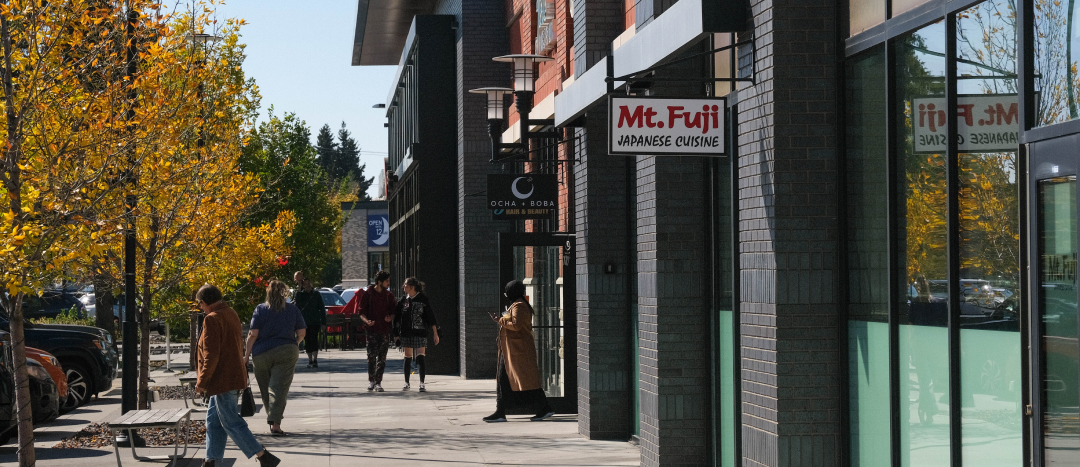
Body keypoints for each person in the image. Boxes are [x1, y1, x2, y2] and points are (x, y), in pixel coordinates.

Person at [194, 284, 280, 467]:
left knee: (231, 421)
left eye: (200, 304)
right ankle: (211, 460)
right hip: (232, 377)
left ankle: (263, 455)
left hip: (222, 380)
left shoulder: (212, 319)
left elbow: (211, 355)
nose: (200, 308)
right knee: (213, 422)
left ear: (205, 302)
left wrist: (202, 382)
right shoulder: (230, 313)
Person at [483, 280, 554, 423]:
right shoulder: (518, 305)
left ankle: (543, 408)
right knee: (507, 380)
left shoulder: (520, 306)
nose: (506, 294)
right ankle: (501, 411)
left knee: (523, 381)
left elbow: (515, 325)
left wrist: (499, 320)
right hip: (511, 351)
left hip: (518, 352)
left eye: (507, 291)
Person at [245, 280, 306, 436]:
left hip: (261, 353)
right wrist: (295, 344)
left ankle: (272, 418)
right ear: (285, 293)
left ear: (268, 293)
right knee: (279, 388)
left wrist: (246, 356)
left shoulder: (260, 309)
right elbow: (301, 332)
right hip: (286, 351)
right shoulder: (293, 309)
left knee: (266, 389)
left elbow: (253, 335)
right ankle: (276, 423)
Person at [392, 277, 439, 391]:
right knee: (407, 357)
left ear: (412, 287)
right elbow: (397, 317)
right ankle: (406, 382)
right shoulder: (404, 300)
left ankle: (422, 383)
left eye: (406, 285)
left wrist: (435, 333)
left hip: (420, 332)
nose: (404, 286)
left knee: (420, 357)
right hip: (406, 333)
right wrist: (396, 334)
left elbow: (430, 316)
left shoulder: (422, 299)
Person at [358, 270, 395, 392]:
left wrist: (390, 318)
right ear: (379, 282)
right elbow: (361, 312)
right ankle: (371, 381)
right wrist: (367, 321)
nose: (388, 283)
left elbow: (394, 312)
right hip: (371, 331)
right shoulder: (368, 294)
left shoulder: (389, 296)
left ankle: (378, 382)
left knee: (382, 357)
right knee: (371, 356)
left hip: (384, 331)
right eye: (386, 281)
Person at [293, 271, 326, 368]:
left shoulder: (316, 294)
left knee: (314, 339)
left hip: (315, 321)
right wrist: (299, 286)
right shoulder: (301, 294)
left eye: (308, 283)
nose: (306, 285)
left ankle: (315, 359)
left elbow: (321, 308)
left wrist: (323, 322)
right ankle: (310, 359)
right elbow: (297, 301)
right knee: (307, 340)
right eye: (305, 284)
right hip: (305, 321)